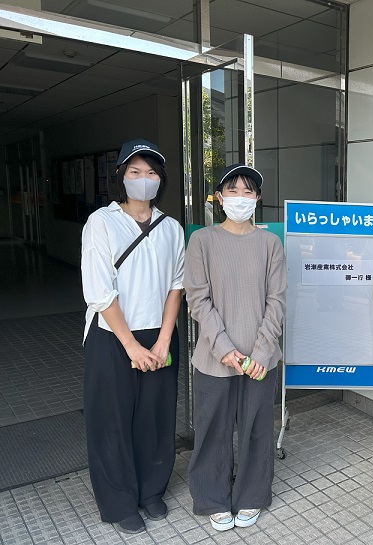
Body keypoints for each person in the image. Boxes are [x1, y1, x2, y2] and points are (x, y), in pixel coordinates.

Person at [81, 139, 185, 534]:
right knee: (111, 420)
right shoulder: (101, 222)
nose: (143, 179)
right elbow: (99, 290)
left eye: (151, 172)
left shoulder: (171, 228)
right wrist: (131, 346)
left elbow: (176, 286)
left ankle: (151, 490)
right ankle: (118, 501)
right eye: (135, 171)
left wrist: (163, 340)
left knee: (155, 417)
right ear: (121, 177)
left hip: (159, 334)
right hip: (112, 335)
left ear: (161, 179)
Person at [183, 164, 285, 532]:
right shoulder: (202, 241)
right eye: (232, 190)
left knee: (257, 429)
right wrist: (224, 348)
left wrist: (261, 352)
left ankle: (252, 494)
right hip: (214, 357)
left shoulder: (270, 244)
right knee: (212, 429)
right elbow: (197, 298)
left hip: (259, 359)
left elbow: (276, 301)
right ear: (219, 197)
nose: (240, 198)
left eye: (247, 191)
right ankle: (212, 497)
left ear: (257, 199)